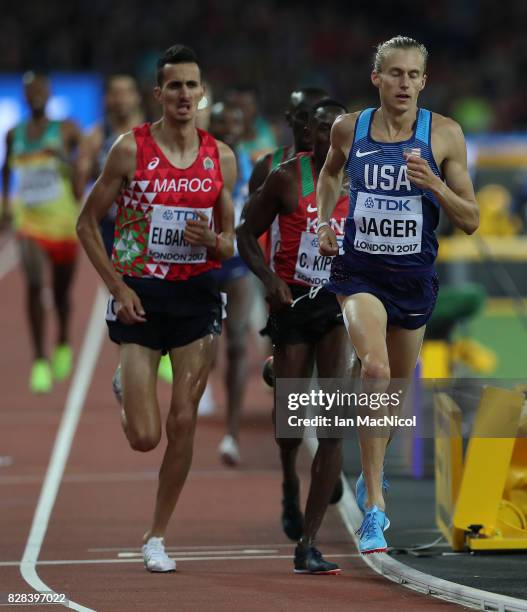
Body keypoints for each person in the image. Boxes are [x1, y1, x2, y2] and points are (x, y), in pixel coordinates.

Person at [316, 36, 479, 554]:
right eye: (394, 74)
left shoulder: (445, 134)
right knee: (376, 370)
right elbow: (329, 174)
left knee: (394, 391)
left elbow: (471, 220)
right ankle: (375, 512)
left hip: (414, 278)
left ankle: (372, 473)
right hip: (359, 271)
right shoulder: (351, 128)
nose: (403, 83)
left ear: (424, 82)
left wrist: (433, 183)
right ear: (377, 78)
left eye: (413, 75)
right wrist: (324, 219)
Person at [76, 45, 236, 573]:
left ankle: (156, 536)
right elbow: (86, 224)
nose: (184, 95)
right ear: (159, 94)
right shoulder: (130, 150)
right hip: (140, 297)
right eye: (175, 86)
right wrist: (117, 289)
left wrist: (214, 243)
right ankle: (127, 386)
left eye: (192, 85)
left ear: (201, 93)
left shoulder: (222, 157)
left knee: (184, 420)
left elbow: (231, 242)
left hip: (196, 299)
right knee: (145, 437)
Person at [238, 99, 354, 574]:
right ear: (311, 133)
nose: (330, 138)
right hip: (294, 304)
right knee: (289, 428)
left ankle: (307, 542)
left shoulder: (365, 180)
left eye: (338, 130)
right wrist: (270, 281)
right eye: (322, 130)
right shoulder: (286, 177)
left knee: (332, 425)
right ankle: (289, 479)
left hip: (340, 305)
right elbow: (246, 234)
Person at [1, 72, 82, 394]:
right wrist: (7, 203)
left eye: (40, 90)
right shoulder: (14, 134)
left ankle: (62, 338)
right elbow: (6, 169)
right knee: (34, 282)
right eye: (29, 91)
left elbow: (80, 178)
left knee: (61, 295)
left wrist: (67, 160)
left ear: (49, 94)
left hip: (62, 224)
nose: (35, 95)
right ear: (23, 96)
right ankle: (39, 359)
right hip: (29, 223)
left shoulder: (66, 130)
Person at [208, 101, 254, 465]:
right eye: (221, 122)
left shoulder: (257, 165)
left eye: (233, 122)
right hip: (201, 261)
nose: (228, 127)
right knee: (202, 345)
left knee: (237, 343)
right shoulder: (198, 159)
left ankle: (232, 433)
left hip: (237, 262)